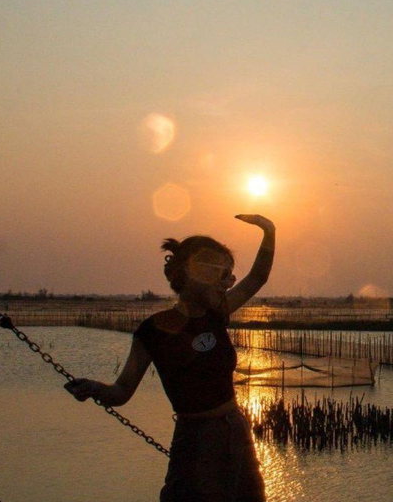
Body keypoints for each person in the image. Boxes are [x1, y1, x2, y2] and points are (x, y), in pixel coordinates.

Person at [66, 214, 275, 502]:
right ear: (193, 274)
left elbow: (258, 278)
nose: (227, 283)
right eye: (221, 274)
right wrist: (93, 388)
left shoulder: (217, 313)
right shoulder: (152, 332)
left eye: (229, 274)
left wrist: (269, 230)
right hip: (194, 439)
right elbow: (121, 391)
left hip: (236, 431)